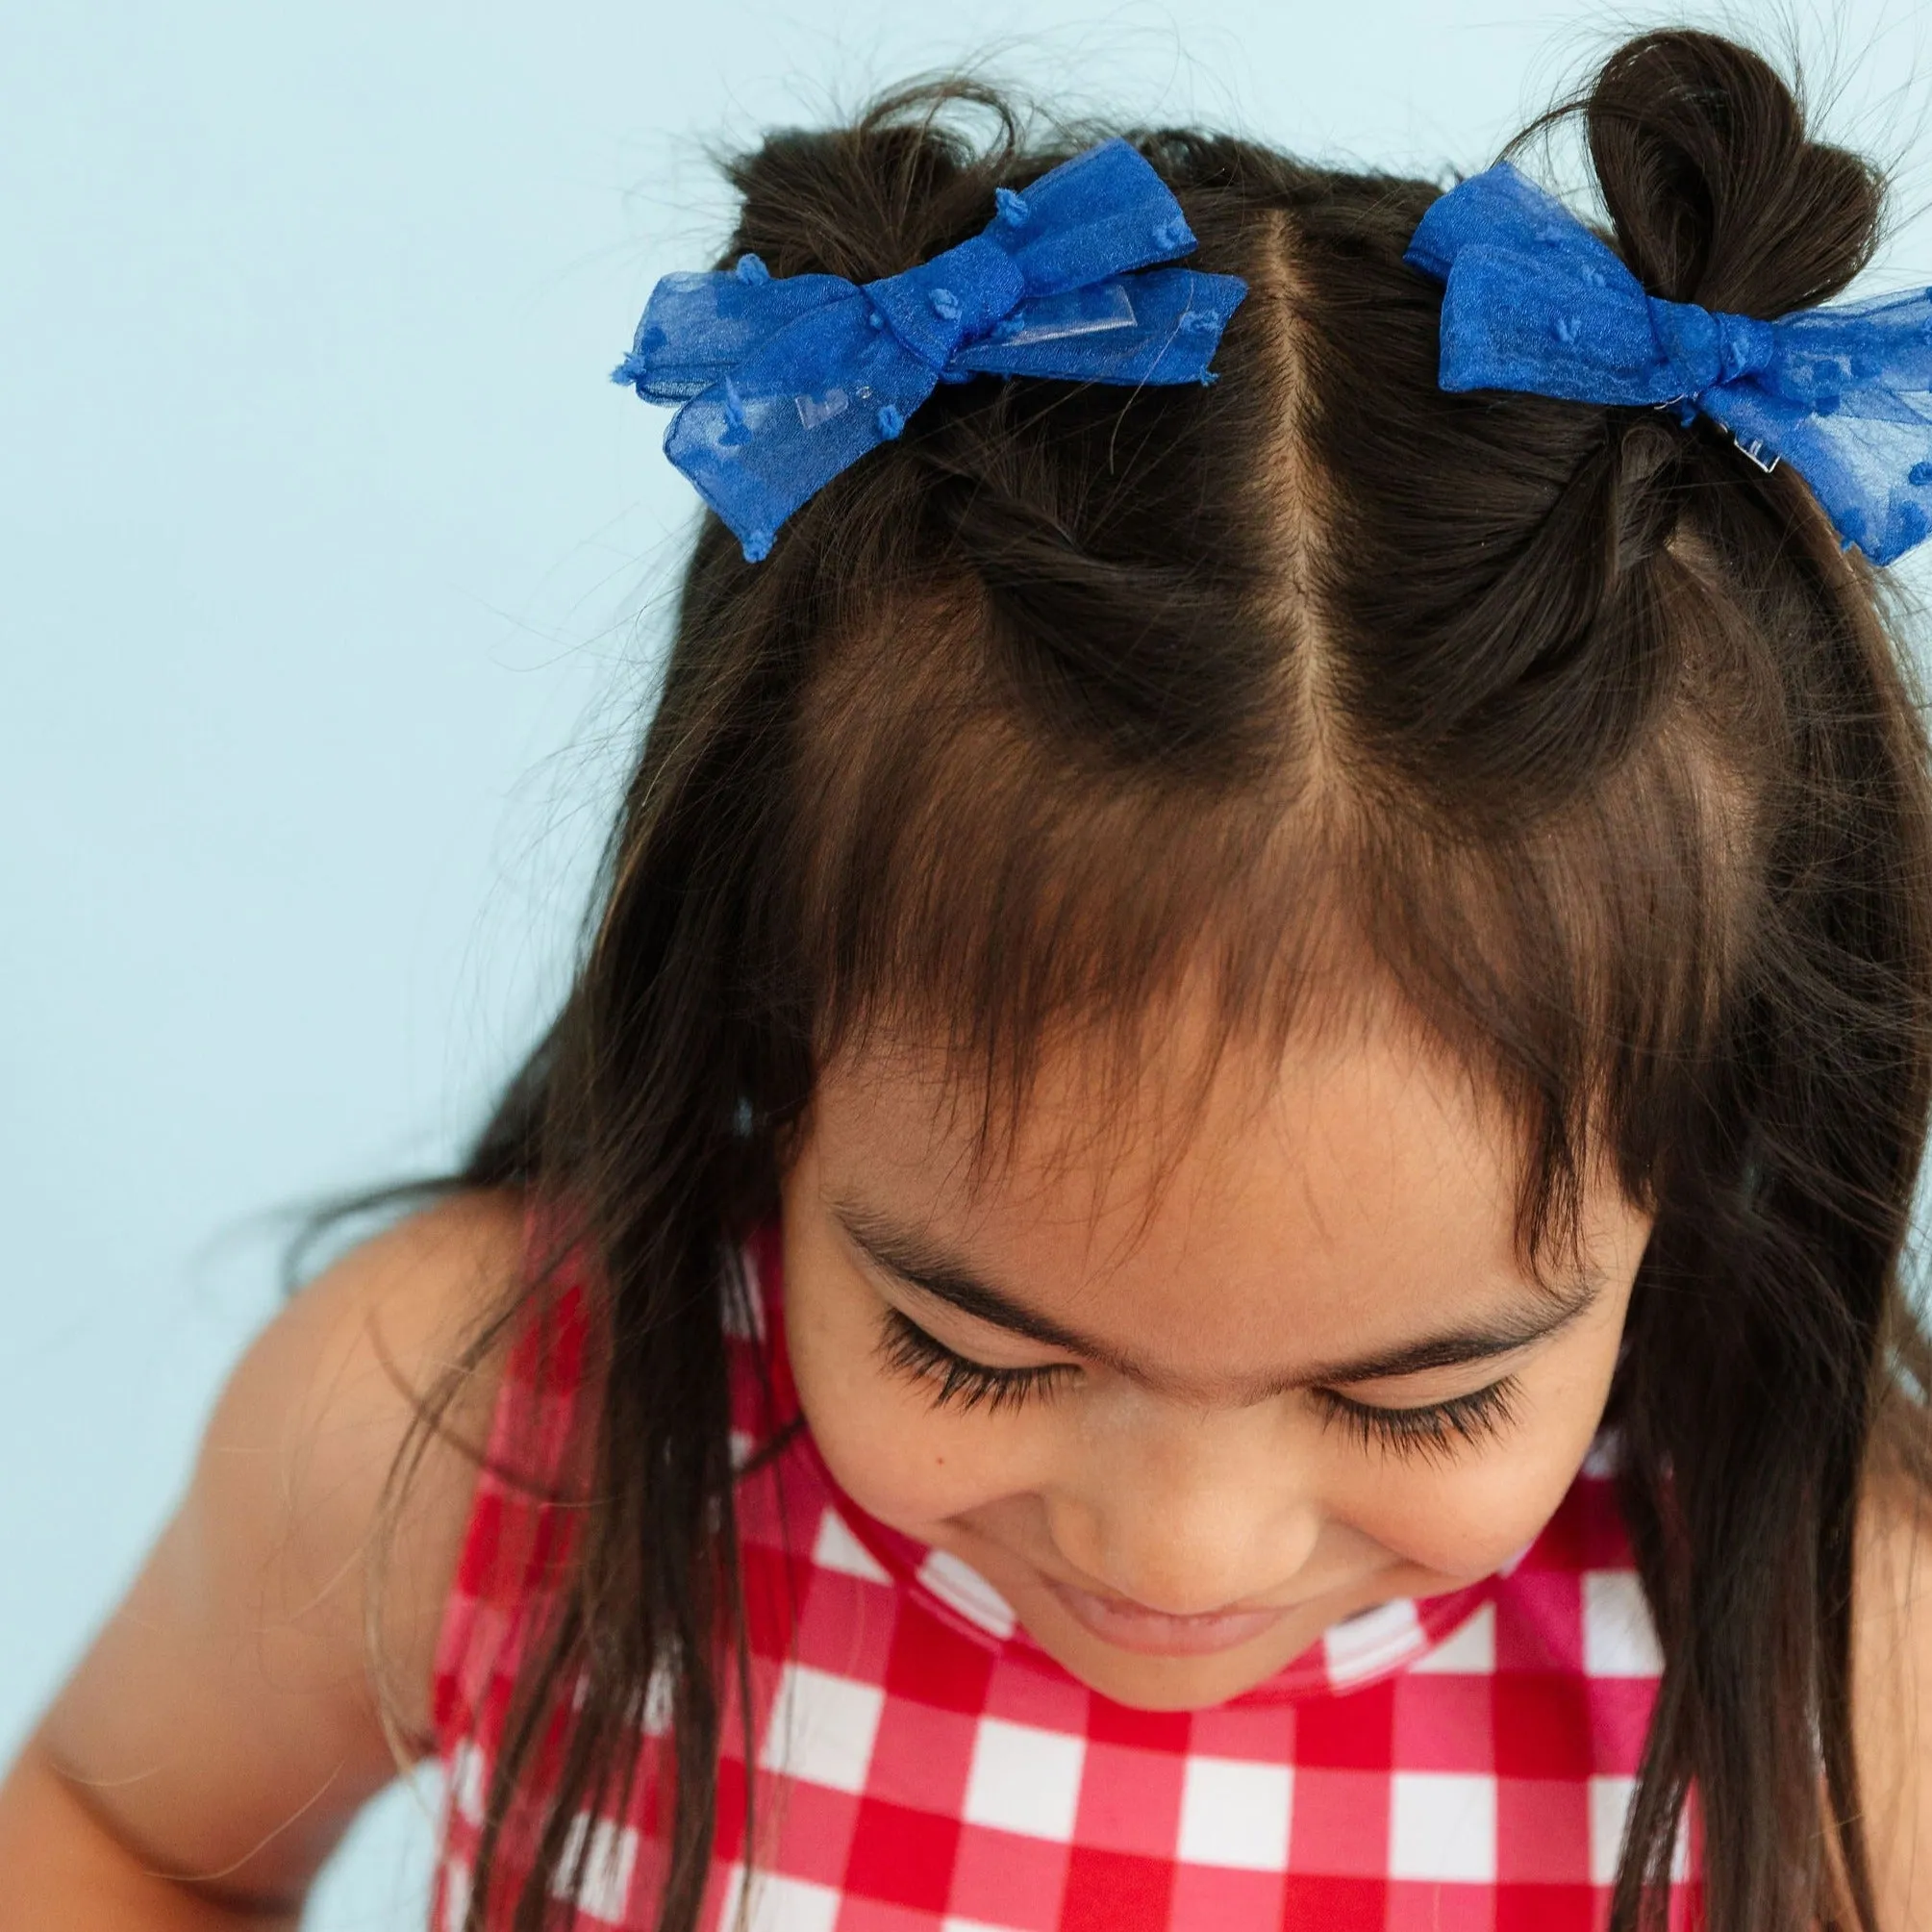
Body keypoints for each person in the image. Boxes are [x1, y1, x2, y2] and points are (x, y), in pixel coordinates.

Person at [6, 24, 1932, 1932]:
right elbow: (122, 1827)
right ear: (764, 1021)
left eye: (1417, 1400)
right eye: (971, 1347)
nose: (1179, 1544)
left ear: (1717, 1138)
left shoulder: (1839, 1664)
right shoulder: (462, 1432)